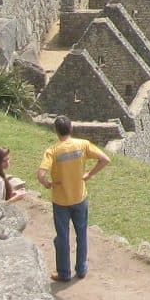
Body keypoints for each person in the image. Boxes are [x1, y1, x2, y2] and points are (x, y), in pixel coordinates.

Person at [38, 114, 111, 282]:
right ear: (71, 128)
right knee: (82, 233)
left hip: (60, 200)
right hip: (79, 197)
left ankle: (64, 273)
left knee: (62, 237)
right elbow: (105, 159)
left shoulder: (53, 150)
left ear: (56, 131)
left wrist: (47, 184)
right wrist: (89, 175)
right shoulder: (82, 145)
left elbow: (41, 174)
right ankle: (82, 269)